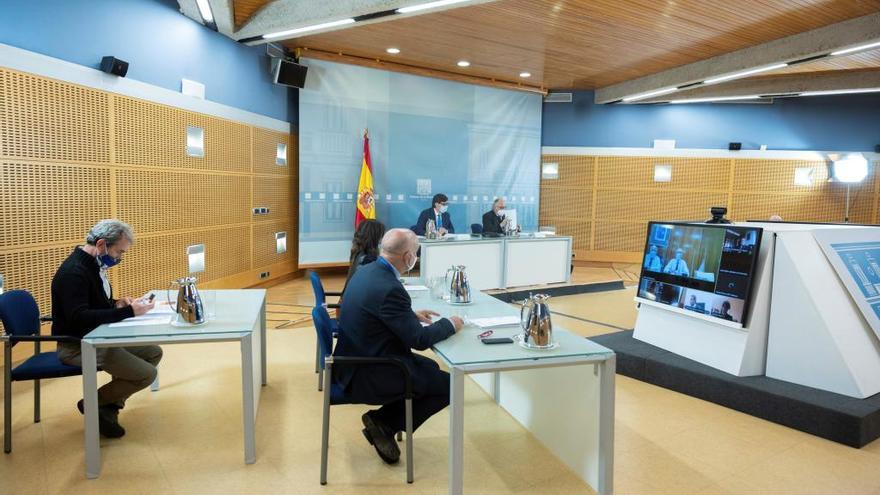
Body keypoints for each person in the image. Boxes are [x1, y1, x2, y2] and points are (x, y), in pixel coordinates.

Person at [334, 228, 464, 464]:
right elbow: (420, 341)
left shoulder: (368, 270)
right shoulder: (390, 288)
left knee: (431, 371)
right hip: (370, 370)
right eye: (415, 252)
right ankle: (384, 422)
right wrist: (450, 324)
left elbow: (376, 310)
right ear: (407, 256)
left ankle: (384, 421)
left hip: (351, 361)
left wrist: (409, 315)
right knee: (450, 385)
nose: (416, 257)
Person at [51, 219, 161, 439]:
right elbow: (79, 318)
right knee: (147, 375)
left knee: (153, 352)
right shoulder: (74, 273)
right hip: (77, 345)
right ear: (101, 244)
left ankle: (109, 407)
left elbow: (94, 303)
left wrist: (118, 304)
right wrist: (129, 312)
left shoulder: (94, 265)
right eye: (119, 252)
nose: (119, 258)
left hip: (98, 337)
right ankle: (93, 403)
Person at [342, 219, 387, 292]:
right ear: (375, 236)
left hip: (351, 297)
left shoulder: (358, 252)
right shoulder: (369, 259)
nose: (383, 237)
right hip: (358, 299)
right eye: (382, 234)